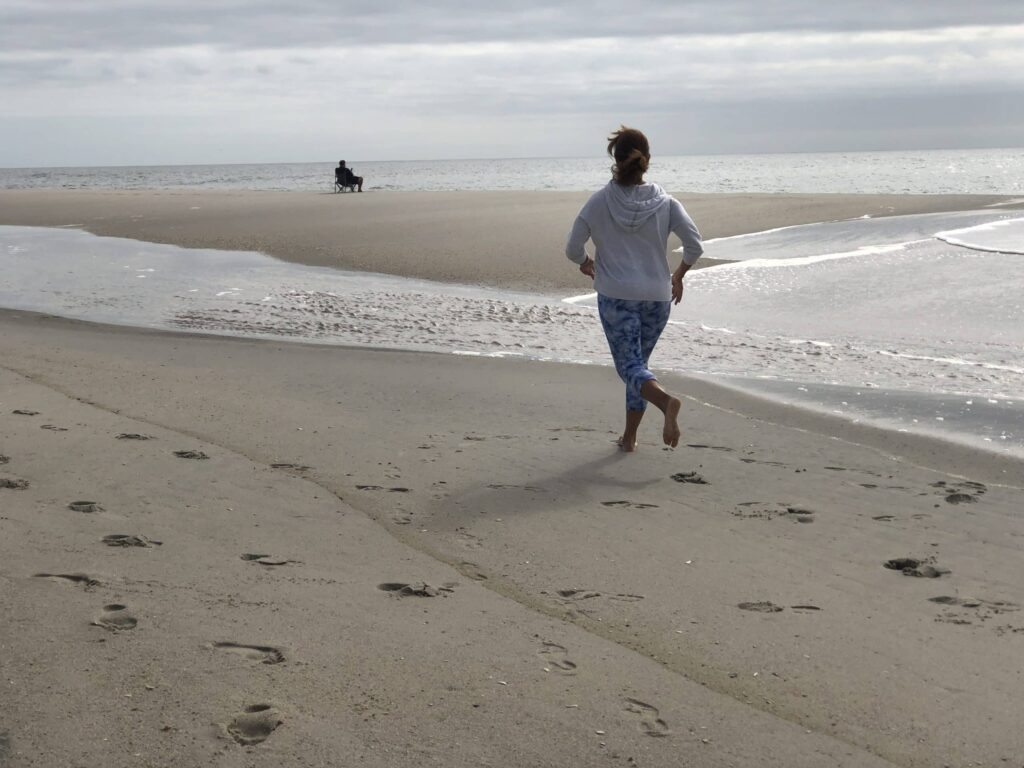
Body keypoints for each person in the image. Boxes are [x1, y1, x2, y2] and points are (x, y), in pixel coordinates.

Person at [565, 126, 703, 451]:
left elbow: (572, 247)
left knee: (630, 367)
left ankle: (667, 402)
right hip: (657, 298)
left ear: (615, 158)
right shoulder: (666, 202)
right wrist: (679, 274)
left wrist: (585, 262)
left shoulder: (599, 201)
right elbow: (694, 246)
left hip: (617, 297)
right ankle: (629, 438)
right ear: (647, 160)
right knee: (638, 366)